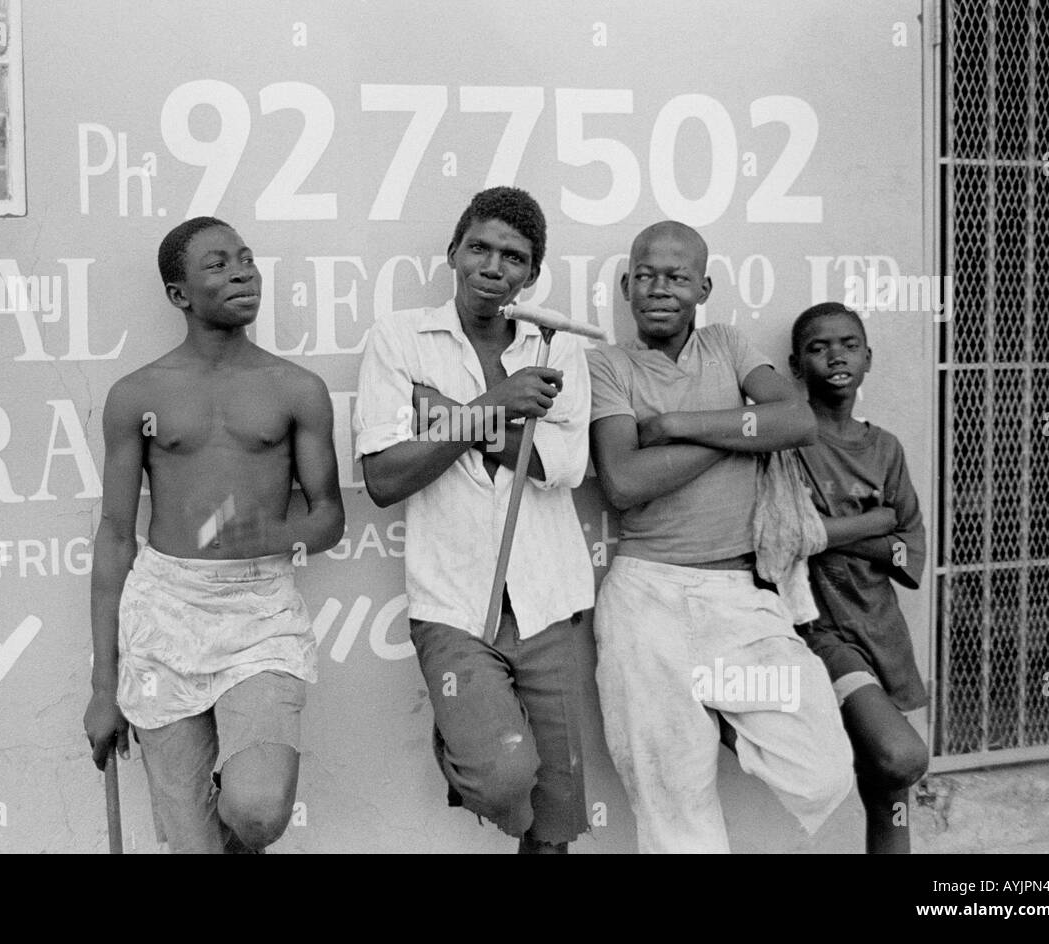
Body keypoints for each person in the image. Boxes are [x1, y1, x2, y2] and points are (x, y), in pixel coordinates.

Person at [587, 220, 854, 853]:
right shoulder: (608, 365)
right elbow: (624, 480)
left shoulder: (728, 346)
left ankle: (717, 715)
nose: (660, 288)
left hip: (739, 598)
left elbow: (796, 419)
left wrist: (678, 424)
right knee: (674, 811)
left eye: (677, 277)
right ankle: (693, 724)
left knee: (822, 767)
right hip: (646, 600)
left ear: (702, 287)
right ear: (627, 286)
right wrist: (742, 432)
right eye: (646, 275)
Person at [82, 216, 344, 854]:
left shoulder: (298, 389)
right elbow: (117, 537)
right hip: (165, 608)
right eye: (218, 264)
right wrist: (102, 686)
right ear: (179, 295)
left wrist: (271, 535)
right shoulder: (136, 395)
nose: (242, 273)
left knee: (256, 810)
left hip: (260, 610)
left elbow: (330, 517)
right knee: (191, 846)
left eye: (247, 259)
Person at [353, 187, 593, 853]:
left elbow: (561, 465)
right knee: (504, 776)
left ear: (532, 275)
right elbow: (384, 476)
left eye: (513, 257)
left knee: (555, 824)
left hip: (553, 602)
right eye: (479, 248)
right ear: (453, 253)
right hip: (454, 607)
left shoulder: (558, 349)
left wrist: (449, 416)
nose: (493, 266)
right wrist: (495, 405)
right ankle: (473, 747)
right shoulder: (400, 340)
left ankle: (493, 751)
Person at [788, 301, 929, 854]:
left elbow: (908, 549)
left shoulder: (885, 447)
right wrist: (875, 523)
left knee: (888, 787)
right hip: (823, 632)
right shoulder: (790, 441)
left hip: (882, 630)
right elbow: (790, 536)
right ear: (797, 366)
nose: (835, 356)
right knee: (902, 755)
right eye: (818, 347)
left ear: (868, 357)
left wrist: (837, 531)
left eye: (848, 344)